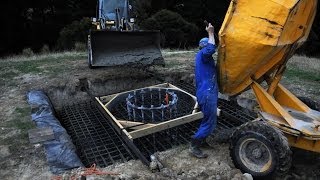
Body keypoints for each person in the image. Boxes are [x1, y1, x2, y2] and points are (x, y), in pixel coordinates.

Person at [189, 23, 218, 158]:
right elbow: (211, 47)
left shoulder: (201, 57)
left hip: (204, 92)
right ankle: (194, 145)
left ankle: (203, 141)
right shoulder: (205, 55)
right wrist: (211, 32)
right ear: (204, 46)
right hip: (207, 93)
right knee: (210, 121)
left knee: (207, 118)